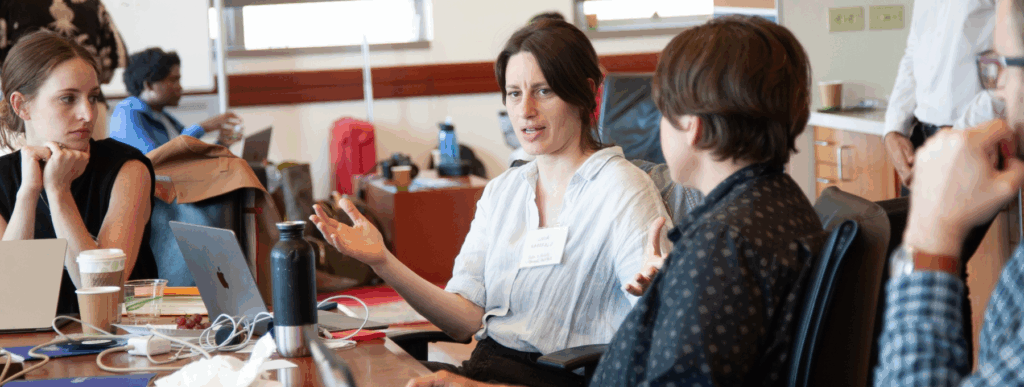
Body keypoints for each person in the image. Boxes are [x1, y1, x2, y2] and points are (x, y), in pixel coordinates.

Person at [406, 15, 821, 387]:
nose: (525, 109)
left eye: (663, 110)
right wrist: (662, 297)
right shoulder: (783, 210)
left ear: (690, 127)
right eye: (513, 94)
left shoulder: (720, 242)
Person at [311, 19, 671, 387]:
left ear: (585, 93)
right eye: (514, 93)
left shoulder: (622, 188)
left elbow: (660, 330)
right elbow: (465, 319)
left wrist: (663, 293)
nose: (525, 110)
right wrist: (382, 260)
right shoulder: (504, 191)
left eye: (543, 91)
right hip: (484, 369)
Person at [873, 0, 1024, 384]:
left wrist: (958, 139)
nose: (1001, 79)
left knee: (936, 272)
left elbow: (1003, 71)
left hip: (968, 135)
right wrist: (895, 126)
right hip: (928, 132)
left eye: (1007, 68)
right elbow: (914, 49)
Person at [0, 31, 156, 314]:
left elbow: (105, 291)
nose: (88, 113)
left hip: (117, 345)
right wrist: (29, 193)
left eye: (93, 97)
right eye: (68, 99)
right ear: (21, 105)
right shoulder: (2, 179)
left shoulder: (127, 168)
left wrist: (58, 194)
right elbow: (9, 301)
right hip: (29, 350)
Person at [883, 0, 1000, 189]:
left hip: (972, 141)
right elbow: (913, 54)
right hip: (921, 143)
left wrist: (958, 137)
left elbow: (1014, 65)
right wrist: (894, 129)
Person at [109, 47, 242, 154]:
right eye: (173, 80)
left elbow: (190, 159)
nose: (180, 87)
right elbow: (156, 158)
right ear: (149, 85)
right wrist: (202, 127)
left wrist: (222, 144)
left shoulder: (163, 116)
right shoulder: (127, 113)